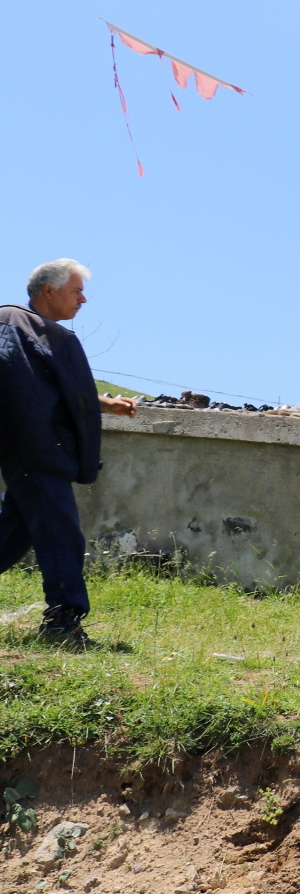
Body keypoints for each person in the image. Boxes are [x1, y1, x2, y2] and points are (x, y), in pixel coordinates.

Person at [0, 260, 136, 647]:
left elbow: (55, 392)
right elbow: (32, 395)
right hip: (37, 451)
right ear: (49, 291)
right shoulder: (29, 329)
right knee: (61, 535)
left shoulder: (28, 330)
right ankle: (62, 624)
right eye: (76, 291)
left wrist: (106, 405)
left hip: (26, 449)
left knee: (13, 532)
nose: (83, 299)